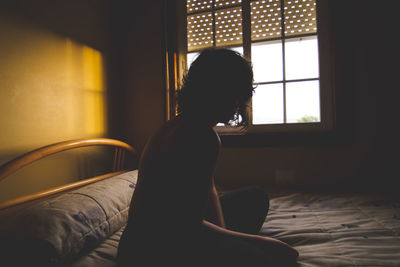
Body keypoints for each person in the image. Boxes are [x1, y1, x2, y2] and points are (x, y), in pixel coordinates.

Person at [117, 48, 298, 266]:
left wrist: (223, 235)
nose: (237, 104)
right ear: (214, 91)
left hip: (152, 238)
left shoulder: (182, 125)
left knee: (255, 198)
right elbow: (187, 225)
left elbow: (208, 191)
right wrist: (262, 242)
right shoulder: (199, 135)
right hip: (151, 249)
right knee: (273, 257)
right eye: (233, 94)